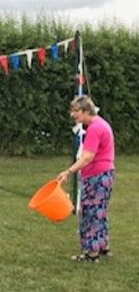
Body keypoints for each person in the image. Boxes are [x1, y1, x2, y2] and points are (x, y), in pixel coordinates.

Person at [57, 95, 115, 262]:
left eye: (76, 111)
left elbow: (87, 157)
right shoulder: (102, 124)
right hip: (105, 174)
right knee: (100, 211)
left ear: (85, 111)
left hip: (97, 176)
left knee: (91, 212)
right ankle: (103, 245)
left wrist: (68, 172)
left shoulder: (95, 129)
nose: (73, 115)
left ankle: (92, 252)